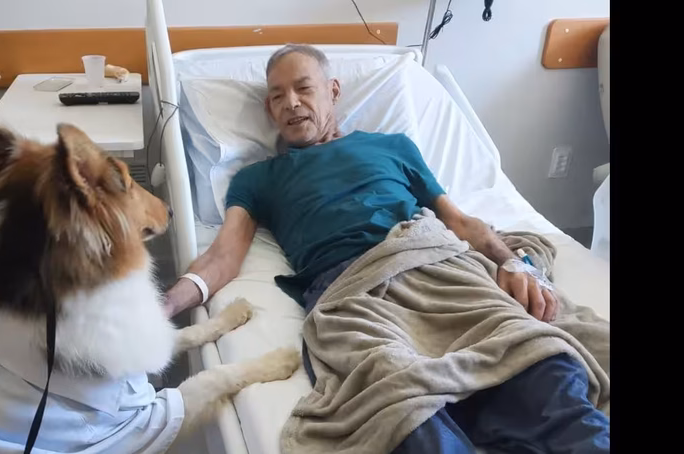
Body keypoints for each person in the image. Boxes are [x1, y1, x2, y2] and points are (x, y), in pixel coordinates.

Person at [162, 44, 609, 453]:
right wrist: (161, 310)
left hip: (438, 265)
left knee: (541, 365)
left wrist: (512, 262)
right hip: (350, 291)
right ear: (269, 109)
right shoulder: (257, 179)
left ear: (333, 91)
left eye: (303, 88)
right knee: (396, 401)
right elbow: (222, 257)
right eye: (277, 96)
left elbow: (458, 221)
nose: (291, 103)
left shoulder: (393, 147)